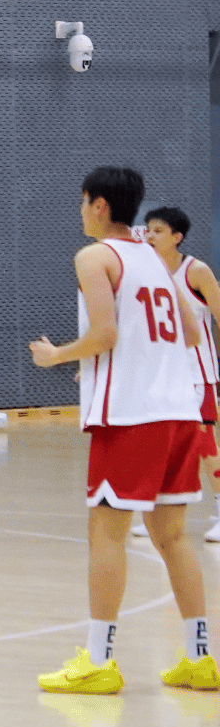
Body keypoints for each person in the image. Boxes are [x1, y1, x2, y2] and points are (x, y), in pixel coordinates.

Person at [30, 168, 214, 693]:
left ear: (100, 205)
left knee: (106, 533)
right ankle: (201, 658)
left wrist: (56, 355)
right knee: (172, 536)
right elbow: (192, 330)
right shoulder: (156, 258)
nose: (80, 211)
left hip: (132, 416)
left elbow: (105, 333)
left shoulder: (96, 257)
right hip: (179, 410)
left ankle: (98, 660)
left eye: (83, 201)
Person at [143, 206, 220, 544]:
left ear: (177, 237)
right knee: (160, 443)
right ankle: (161, 512)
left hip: (197, 373)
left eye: (158, 231)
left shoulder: (196, 271)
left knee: (204, 443)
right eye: (148, 230)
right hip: (162, 375)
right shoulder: (146, 271)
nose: (150, 236)